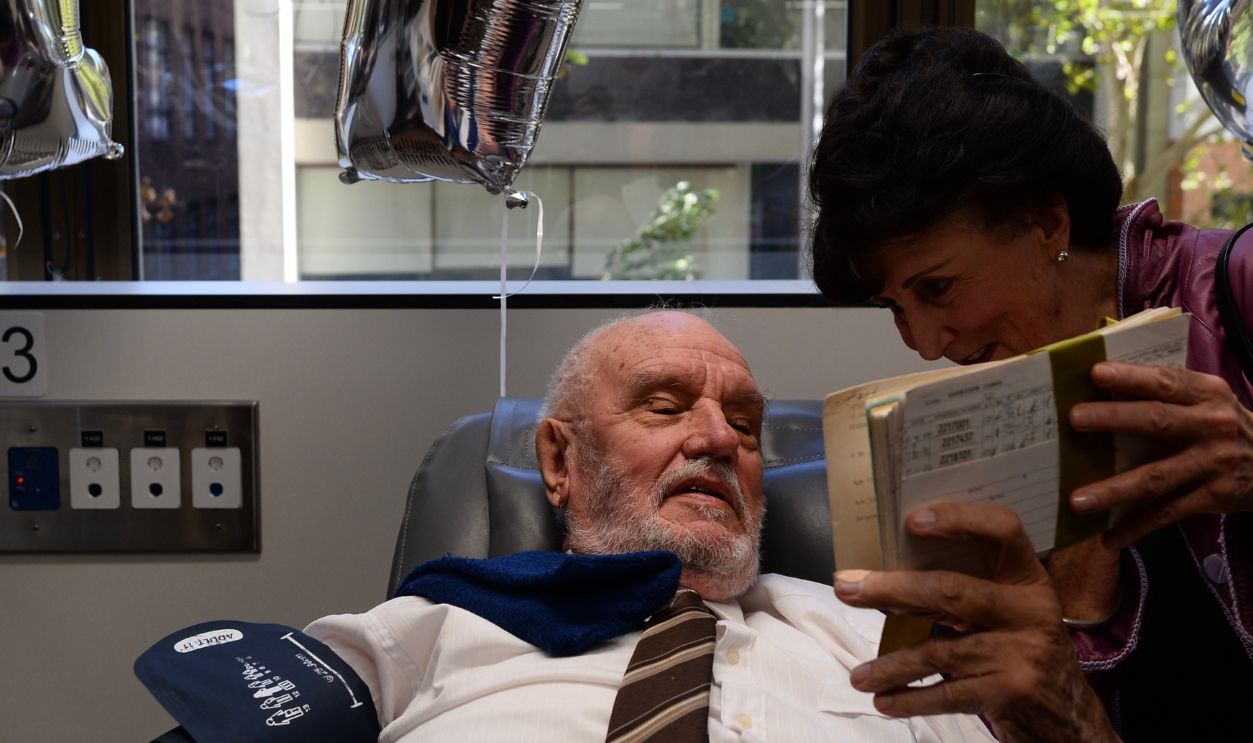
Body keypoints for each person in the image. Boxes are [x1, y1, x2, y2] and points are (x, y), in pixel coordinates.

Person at [304, 310, 1093, 741]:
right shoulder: (437, 623)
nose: (719, 439)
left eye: (744, 425)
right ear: (559, 460)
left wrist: (1065, 714)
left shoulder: (878, 638)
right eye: (665, 405)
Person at [807, 25, 1252, 741]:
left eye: (938, 287)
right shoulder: (972, 432)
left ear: (1046, 221)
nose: (923, 345)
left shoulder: (1235, 290)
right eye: (895, 305)